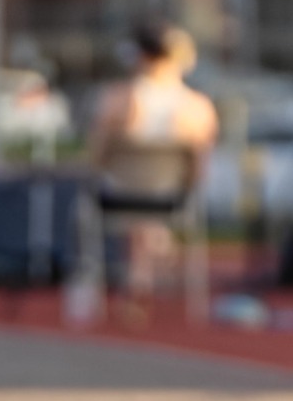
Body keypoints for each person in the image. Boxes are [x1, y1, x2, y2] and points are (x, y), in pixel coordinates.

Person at [87, 22, 219, 314]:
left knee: (123, 200)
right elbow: (200, 169)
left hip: (120, 198)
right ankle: (149, 258)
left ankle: (140, 271)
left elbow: (96, 157)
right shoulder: (197, 108)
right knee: (151, 205)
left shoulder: (115, 101)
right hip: (169, 198)